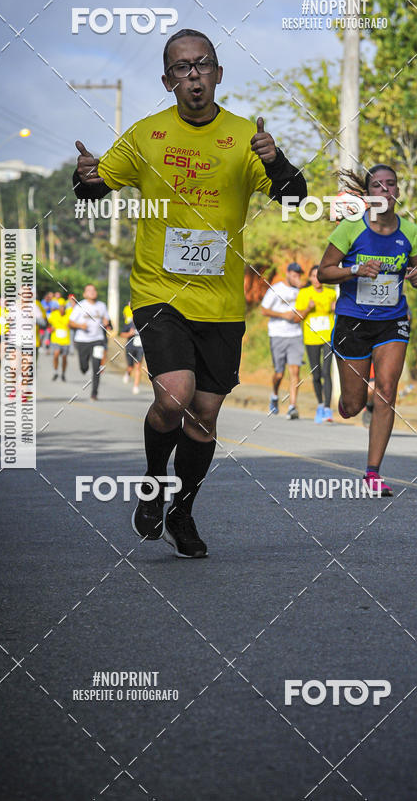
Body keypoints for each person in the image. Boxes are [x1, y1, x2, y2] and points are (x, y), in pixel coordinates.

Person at [72, 28, 307, 557]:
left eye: (203, 64)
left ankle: (183, 511)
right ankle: (154, 486)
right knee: (173, 396)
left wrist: (275, 161)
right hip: (160, 291)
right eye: (182, 67)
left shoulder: (247, 137)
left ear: (219, 73)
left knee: (204, 418)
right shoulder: (147, 136)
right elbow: (92, 189)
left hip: (221, 303)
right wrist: (82, 175)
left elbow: (295, 197)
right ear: (167, 80)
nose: (194, 74)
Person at [318, 165, 417, 496]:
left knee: (387, 390)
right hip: (353, 321)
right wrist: (354, 269)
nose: (385, 190)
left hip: (392, 321)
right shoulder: (350, 229)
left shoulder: (411, 231)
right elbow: (323, 272)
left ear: (398, 193)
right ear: (368, 195)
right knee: (354, 404)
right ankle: (351, 404)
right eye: (378, 186)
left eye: (391, 184)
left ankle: (373, 473)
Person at [261, 263, 305, 420]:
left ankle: (292, 406)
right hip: (278, 334)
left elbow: (305, 308)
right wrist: (283, 315)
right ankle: (274, 394)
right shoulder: (276, 289)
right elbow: (264, 310)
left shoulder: (301, 290)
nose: (297, 277)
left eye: (299, 275)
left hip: (296, 334)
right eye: (294, 274)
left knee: (295, 372)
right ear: (287, 273)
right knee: (279, 374)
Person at [294, 265, 337, 423]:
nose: (317, 279)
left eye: (319, 276)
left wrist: (335, 308)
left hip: (328, 337)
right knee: (316, 373)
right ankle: (320, 405)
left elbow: (338, 312)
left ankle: (327, 408)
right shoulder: (304, 293)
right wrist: (308, 308)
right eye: (313, 276)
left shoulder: (331, 293)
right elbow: (297, 317)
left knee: (327, 371)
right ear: (310, 278)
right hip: (311, 337)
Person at [69, 284, 111, 400]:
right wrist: (80, 325)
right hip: (82, 341)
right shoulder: (80, 306)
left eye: (94, 290)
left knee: (96, 366)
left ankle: (94, 393)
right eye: (89, 290)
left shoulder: (102, 305)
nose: (92, 292)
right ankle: (84, 366)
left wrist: (107, 323)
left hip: (97, 340)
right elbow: (70, 322)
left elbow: (107, 320)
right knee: (84, 367)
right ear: (84, 294)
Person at [121, 301, 143, 394]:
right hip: (130, 347)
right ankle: (127, 373)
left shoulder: (144, 323)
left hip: (140, 348)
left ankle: (136, 386)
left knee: (138, 366)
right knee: (130, 367)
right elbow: (122, 334)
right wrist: (129, 334)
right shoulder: (130, 323)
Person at [48, 299, 73, 381]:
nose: (62, 311)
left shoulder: (69, 314)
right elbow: (48, 323)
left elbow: (73, 322)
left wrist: (70, 325)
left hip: (66, 340)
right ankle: (55, 372)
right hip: (56, 339)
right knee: (56, 355)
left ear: (65, 309)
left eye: (63, 309)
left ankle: (63, 373)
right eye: (60, 309)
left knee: (64, 357)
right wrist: (51, 328)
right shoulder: (54, 314)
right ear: (58, 309)